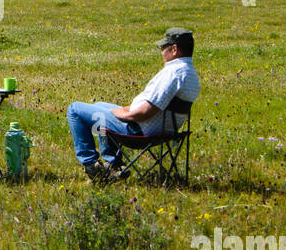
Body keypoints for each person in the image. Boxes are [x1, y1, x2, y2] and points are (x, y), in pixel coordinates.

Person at [66, 27, 200, 183]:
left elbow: (146, 111)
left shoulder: (173, 73)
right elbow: (154, 104)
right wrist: (127, 108)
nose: (162, 51)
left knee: (74, 109)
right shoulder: (190, 73)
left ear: (174, 49)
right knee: (100, 105)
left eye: (164, 47)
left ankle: (92, 166)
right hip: (164, 130)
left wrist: (125, 115)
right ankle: (113, 164)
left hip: (138, 132)